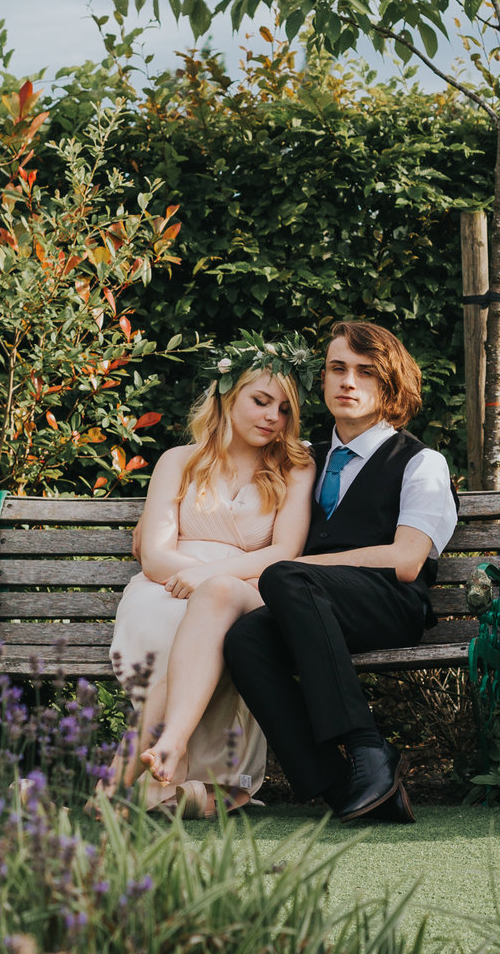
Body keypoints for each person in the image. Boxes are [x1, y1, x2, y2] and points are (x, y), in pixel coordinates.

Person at [222, 321, 456, 824]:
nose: (348, 381)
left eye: (366, 372)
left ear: (389, 386)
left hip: (387, 604)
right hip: (307, 607)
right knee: (245, 638)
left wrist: (298, 567)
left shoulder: (421, 462)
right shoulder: (303, 459)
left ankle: (369, 749)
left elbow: (407, 559)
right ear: (323, 381)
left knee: (286, 577)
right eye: (337, 369)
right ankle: (337, 785)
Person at [109, 341, 317, 815]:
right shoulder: (179, 460)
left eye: (284, 409)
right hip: (164, 588)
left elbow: (285, 552)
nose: (272, 418)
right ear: (227, 396)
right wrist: (193, 577)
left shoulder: (293, 469)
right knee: (170, 627)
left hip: (244, 591)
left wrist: (211, 576)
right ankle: (181, 786)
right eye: (260, 401)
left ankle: (127, 782)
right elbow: (157, 556)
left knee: (222, 624)